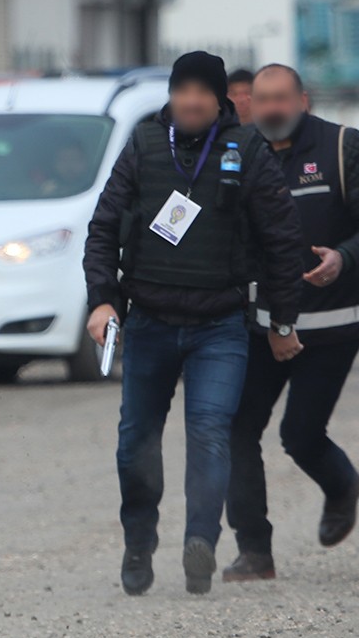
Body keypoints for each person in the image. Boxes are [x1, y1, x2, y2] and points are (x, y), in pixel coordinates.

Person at [83, 50, 304, 597]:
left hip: (219, 324)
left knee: (209, 432)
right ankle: (139, 541)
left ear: (219, 98)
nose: (191, 101)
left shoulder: (246, 149)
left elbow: (281, 240)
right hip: (151, 321)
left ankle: (200, 542)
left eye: (202, 92)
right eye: (183, 90)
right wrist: (101, 300)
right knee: (136, 441)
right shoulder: (143, 144)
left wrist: (282, 319)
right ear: (173, 95)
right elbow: (103, 228)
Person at [225, 64, 359, 580]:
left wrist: (344, 257)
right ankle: (254, 551)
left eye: (282, 99)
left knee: (300, 434)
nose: (272, 109)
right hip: (263, 319)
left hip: (332, 321)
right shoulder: (238, 151)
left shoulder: (343, 146)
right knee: (237, 428)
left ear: (303, 99)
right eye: (262, 100)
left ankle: (342, 485)